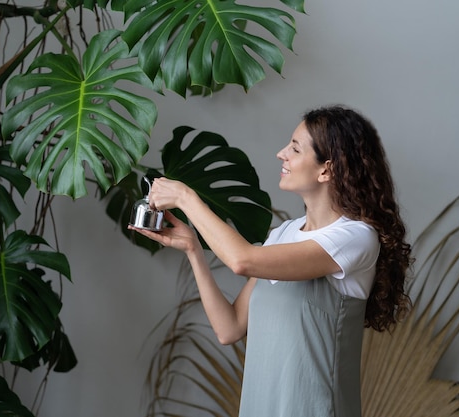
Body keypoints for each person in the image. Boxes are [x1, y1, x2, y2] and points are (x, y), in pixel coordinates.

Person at [129, 105, 412, 417]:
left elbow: (242, 260)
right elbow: (230, 328)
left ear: (326, 170)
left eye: (294, 148)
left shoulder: (355, 238)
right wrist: (194, 250)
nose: (281, 154)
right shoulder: (284, 234)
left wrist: (185, 198)